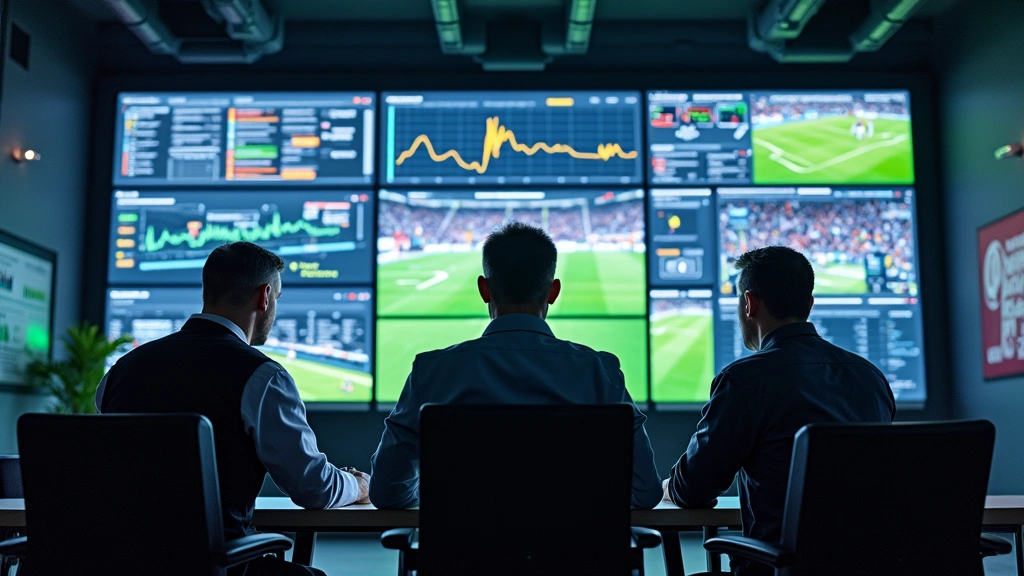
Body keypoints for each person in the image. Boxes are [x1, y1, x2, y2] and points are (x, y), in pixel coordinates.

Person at [97, 242, 369, 576]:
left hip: (115, 563)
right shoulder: (264, 377)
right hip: (215, 565)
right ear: (265, 296)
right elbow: (314, 488)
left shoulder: (119, 372)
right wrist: (359, 485)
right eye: (278, 300)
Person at [369, 222, 662, 510]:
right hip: (578, 557)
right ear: (553, 292)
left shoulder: (430, 373)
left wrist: (440, 503)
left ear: (484, 289)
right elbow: (646, 492)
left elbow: (386, 492)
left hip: (462, 557)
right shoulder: (600, 373)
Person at [664, 246, 895, 576]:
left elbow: (692, 490)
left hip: (777, 567)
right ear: (809, 305)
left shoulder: (744, 380)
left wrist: (669, 487)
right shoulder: (871, 378)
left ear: (749, 303)